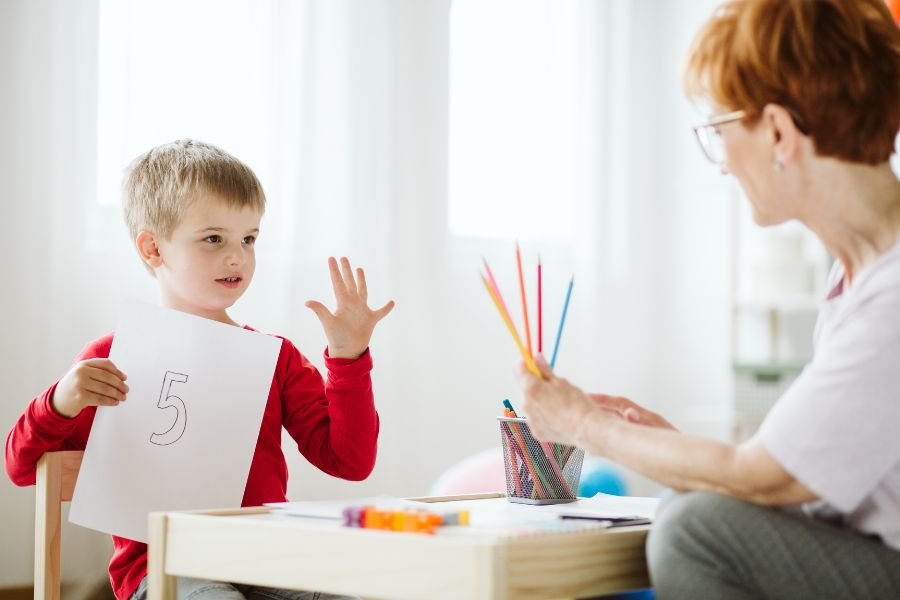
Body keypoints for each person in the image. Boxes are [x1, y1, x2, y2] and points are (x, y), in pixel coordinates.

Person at [518, 1, 900, 598]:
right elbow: (796, 475)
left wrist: (581, 424)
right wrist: (667, 446)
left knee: (694, 532)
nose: (722, 165)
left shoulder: (889, 297)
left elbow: (764, 477)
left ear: (777, 132)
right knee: (692, 510)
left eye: (720, 131)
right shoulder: (859, 278)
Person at [5, 139, 395, 600]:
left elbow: (349, 462)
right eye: (214, 239)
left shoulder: (276, 356)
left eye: (249, 238)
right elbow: (23, 468)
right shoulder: (113, 355)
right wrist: (59, 401)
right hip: (164, 566)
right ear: (152, 248)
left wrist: (348, 359)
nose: (237, 257)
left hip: (265, 558)